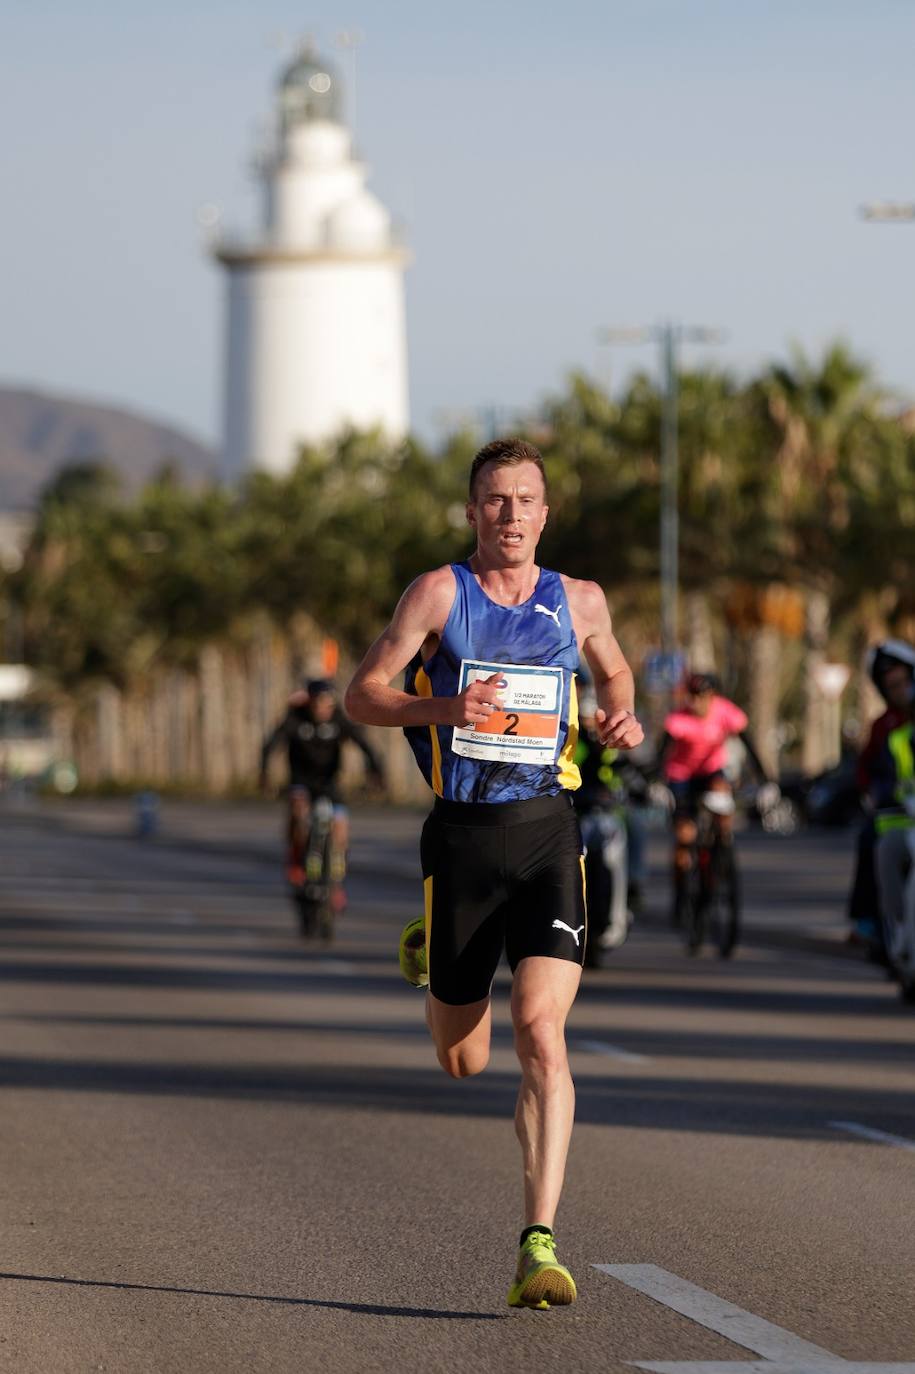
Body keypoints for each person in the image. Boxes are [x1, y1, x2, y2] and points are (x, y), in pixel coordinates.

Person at [344, 437, 643, 1310]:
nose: (511, 516)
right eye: (495, 501)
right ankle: (430, 946)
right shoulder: (439, 594)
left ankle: (537, 1241)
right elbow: (364, 693)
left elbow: (615, 671)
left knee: (539, 1032)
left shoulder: (579, 600)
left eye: (525, 501)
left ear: (545, 513)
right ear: (472, 511)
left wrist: (619, 715)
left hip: (550, 832)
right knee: (463, 1060)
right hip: (463, 841)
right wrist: (443, 706)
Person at [658, 671, 776, 925]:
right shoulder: (679, 719)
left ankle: (721, 851)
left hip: (712, 771)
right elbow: (662, 754)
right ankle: (681, 892)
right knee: (685, 835)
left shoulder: (725, 712)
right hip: (682, 776)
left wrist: (766, 781)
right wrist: (657, 783)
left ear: (712, 697)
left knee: (722, 800)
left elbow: (749, 745)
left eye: (703, 697)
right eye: (693, 697)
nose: (698, 702)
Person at [260, 679, 384, 895]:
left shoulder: (338, 720)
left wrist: (376, 772)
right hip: (301, 781)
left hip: (329, 783)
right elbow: (271, 745)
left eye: (328, 705)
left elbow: (364, 744)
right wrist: (265, 775)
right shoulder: (295, 719)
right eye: (318, 704)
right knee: (298, 810)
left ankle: (336, 881)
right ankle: (297, 857)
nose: (323, 709)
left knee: (340, 827)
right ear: (309, 703)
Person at [848, 641, 915, 952]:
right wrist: (873, 794)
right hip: (898, 815)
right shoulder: (884, 727)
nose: (901, 690)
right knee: (872, 842)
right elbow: (866, 769)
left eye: (904, 682)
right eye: (893, 686)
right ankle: (874, 922)